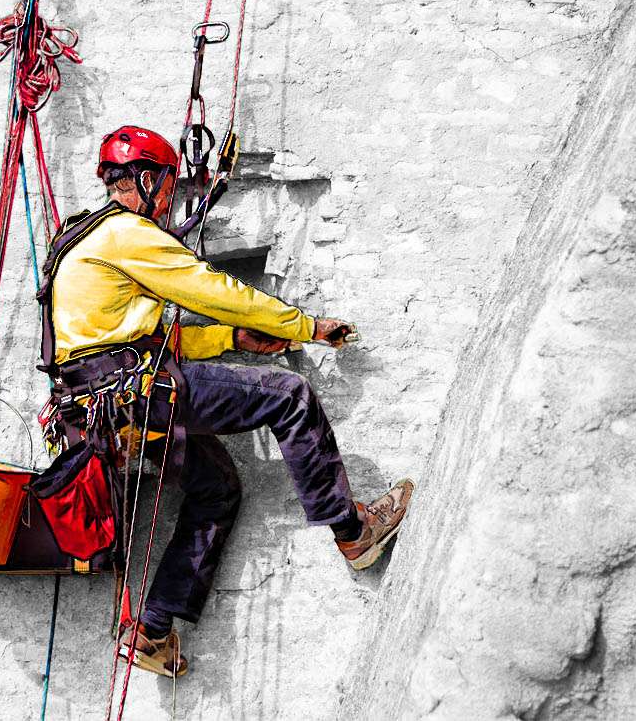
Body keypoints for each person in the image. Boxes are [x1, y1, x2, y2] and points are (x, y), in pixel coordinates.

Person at [40, 125, 414, 677]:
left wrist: (231, 340)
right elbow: (214, 290)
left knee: (216, 490)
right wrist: (306, 325)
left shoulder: (76, 240)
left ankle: (151, 630)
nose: (170, 200)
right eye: (169, 185)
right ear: (146, 179)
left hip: (101, 404)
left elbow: (135, 341)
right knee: (289, 396)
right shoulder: (127, 235)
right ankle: (353, 532)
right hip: (135, 394)